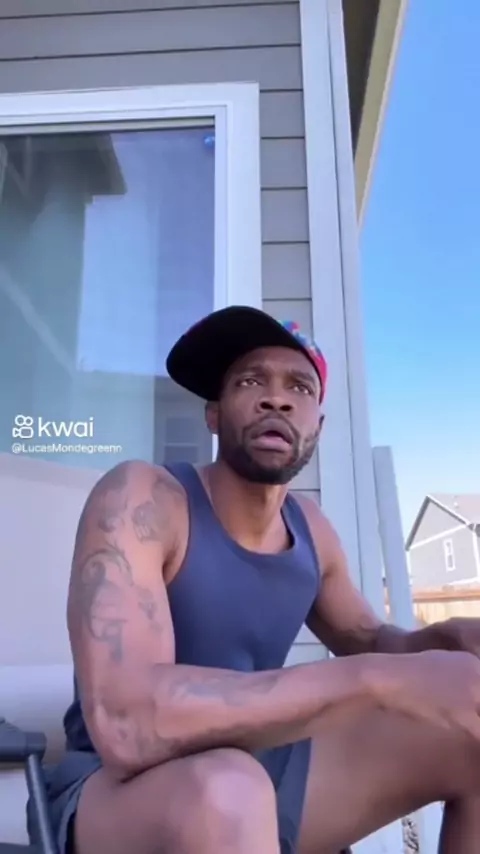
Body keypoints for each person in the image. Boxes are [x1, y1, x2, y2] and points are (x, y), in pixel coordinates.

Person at [31, 306, 480, 854]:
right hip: (117, 789)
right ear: (214, 414)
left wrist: (441, 641)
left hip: (260, 771)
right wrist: (380, 680)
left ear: (318, 426)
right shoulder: (144, 499)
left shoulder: (311, 529)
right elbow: (125, 726)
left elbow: (367, 639)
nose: (276, 399)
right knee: (230, 790)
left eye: (299, 387)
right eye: (250, 381)